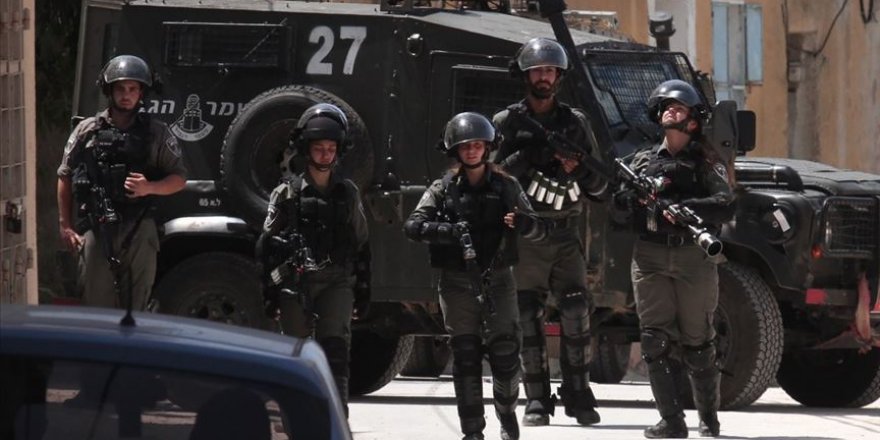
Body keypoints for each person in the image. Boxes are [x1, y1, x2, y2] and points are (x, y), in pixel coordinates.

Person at [404, 112, 547, 440]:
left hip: (498, 280)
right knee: (466, 357)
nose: (472, 151)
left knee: (506, 353)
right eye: (465, 146)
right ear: (455, 150)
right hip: (457, 282)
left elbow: (540, 228)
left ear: (488, 147)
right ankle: (472, 432)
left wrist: (523, 223)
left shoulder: (507, 185)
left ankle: (507, 412)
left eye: (478, 145)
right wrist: (448, 231)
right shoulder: (442, 189)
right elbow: (413, 226)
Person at [492, 37, 607, 427]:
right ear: (525, 76)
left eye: (550, 71)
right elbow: (490, 179)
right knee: (526, 314)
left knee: (576, 308)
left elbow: (600, 186)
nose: (544, 77)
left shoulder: (575, 123)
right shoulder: (507, 123)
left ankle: (578, 393)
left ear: (559, 77)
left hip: (565, 230)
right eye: (538, 70)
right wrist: (526, 157)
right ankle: (537, 399)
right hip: (526, 232)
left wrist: (578, 169)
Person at [615, 79, 734, 438]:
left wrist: (688, 208)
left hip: (691, 257)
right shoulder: (641, 161)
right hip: (649, 255)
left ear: (692, 122)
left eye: (678, 108)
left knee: (698, 342)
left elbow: (725, 204)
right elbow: (617, 208)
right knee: (654, 340)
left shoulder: (705, 162)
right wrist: (630, 199)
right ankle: (671, 420)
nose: (670, 111)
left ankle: (708, 419)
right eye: (666, 106)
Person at [258, 103, 370, 416]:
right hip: (296, 282)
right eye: (319, 148)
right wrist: (270, 293)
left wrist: (363, 289)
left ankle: (336, 420)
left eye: (331, 148)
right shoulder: (286, 193)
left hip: (336, 280)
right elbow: (266, 245)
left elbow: (362, 244)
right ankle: (295, 420)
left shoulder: (348, 193)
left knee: (336, 353)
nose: (324, 154)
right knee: (295, 354)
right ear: (307, 149)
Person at [57, 54, 187, 311]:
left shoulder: (157, 133)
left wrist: (149, 187)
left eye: (132, 89)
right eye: (120, 89)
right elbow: (64, 175)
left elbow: (179, 178)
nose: (126, 95)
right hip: (97, 227)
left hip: (139, 228)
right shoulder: (87, 131)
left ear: (141, 93)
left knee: (136, 309)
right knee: (95, 307)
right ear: (110, 91)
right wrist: (65, 226)